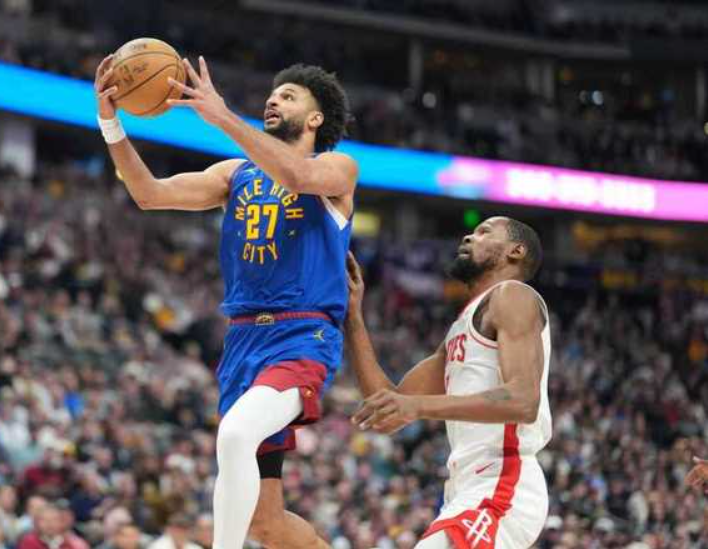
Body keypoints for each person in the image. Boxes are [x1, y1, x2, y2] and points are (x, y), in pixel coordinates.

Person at [95, 53, 357, 549]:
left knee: (235, 435)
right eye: (272, 94)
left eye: (288, 96)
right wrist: (110, 122)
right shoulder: (235, 174)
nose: (273, 100)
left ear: (315, 118)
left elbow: (296, 178)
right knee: (266, 523)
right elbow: (149, 194)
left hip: (301, 336)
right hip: (242, 344)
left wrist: (221, 117)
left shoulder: (336, 168)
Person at [345, 217, 551, 549]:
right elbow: (388, 410)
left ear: (516, 251)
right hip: (466, 487)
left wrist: (417, 406)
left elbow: (523, 401)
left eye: (484, 232)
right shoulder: (461, 328)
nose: (469, 236)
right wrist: (353, 317)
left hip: (503, 481)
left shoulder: (513, 295)